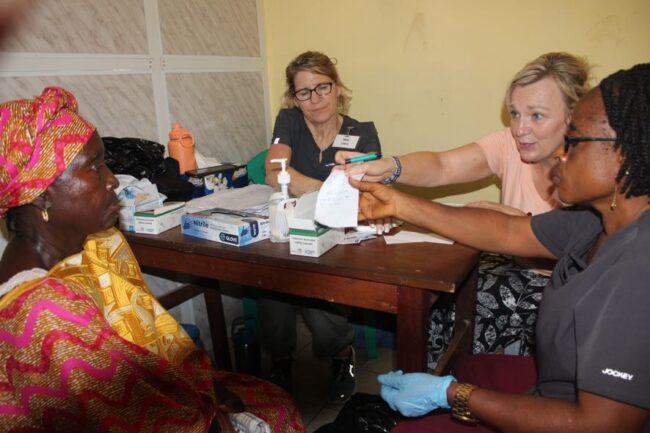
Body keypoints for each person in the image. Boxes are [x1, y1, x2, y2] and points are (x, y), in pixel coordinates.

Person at [350, 63, 650, 433]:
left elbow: (598, 426)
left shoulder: (639, 268)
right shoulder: (595, 220)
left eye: (572, 141)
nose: (560, 153)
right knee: (468, 360)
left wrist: (455, 395)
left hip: (571, 415)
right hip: (554, 389)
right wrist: (398, 202)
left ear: (622, 154)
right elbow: (510, 231)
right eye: (515, 114)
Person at [0, 87, 305, 433]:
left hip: (169, 394)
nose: (114, 180)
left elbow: (154, 340)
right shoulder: (44, 312)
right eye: (95, 167)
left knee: (270, 396)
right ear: (41, 196)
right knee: (275, 411)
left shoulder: (97, 246)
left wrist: (207, 389)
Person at [337, 52, 591, 365]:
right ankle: (442, 391)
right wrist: (390, 166)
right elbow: (443, 165)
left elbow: (560, 240)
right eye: (515, 114)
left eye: (536, 115)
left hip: (564, 287)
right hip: (512, 267)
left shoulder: (592, 170)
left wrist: (507, 218)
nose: (521, 128)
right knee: (441, 296)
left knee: (492, 307)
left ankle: (479, 392)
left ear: (572, 116)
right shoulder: (511, 145)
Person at [259, 51, 381, 402]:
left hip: (340, 235)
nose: (315, 100)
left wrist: (297, 183)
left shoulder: (363, 133)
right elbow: (272, 170)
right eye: (304, 92)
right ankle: (282, 359)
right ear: (293, 98)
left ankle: (342, 355)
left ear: (338, 87)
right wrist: (327, 193)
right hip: (294, 227)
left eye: (322, 88)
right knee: (270, 281)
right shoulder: (290, 122)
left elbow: (361, 192)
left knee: (317, 289)